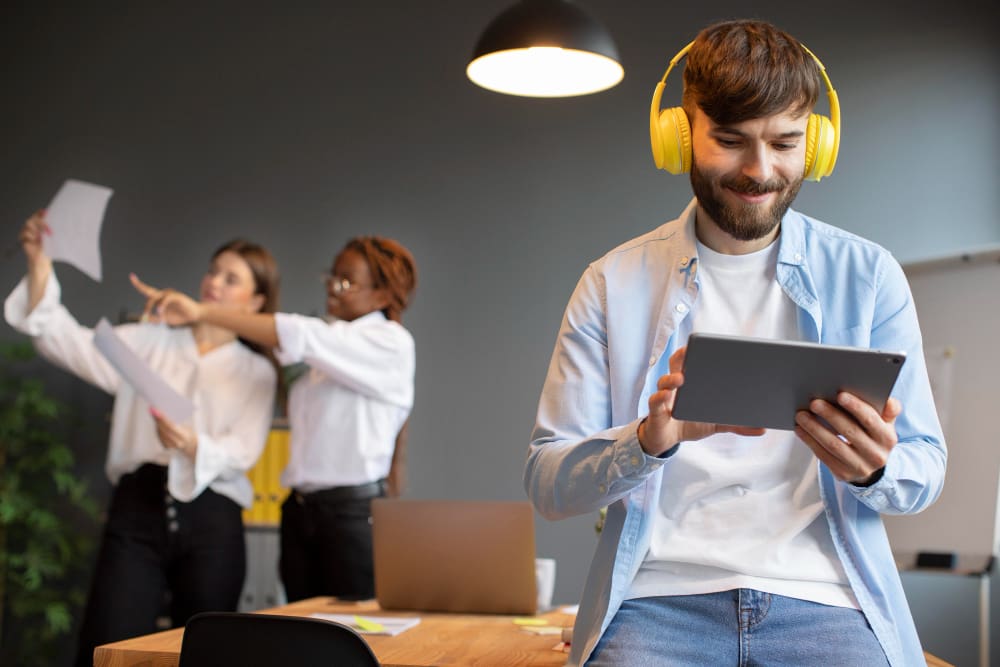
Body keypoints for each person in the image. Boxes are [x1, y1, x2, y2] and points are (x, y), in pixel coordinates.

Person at [524, 19, 946, 667]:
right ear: (677, 135)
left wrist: (877, 467)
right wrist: (648, 440)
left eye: (785, 143)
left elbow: (924, 467)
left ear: (819, 144)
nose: (760, 170)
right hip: (657, 601)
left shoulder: (868, 276)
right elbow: (549, 483)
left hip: (828, 601)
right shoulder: (612, 281)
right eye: (729, 140)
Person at [4, 211, 280, 667]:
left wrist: (192, 444)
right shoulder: (150, 342)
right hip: (138, 510)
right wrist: (39, 261)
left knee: (208, 650)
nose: (214, 282)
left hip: (215, 519)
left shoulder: (257, 372)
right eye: (213, 271)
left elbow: (244, 450)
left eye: (232, 279)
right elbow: (61, 338)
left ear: (256, 301)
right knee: (108, 645)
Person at [132, 235, 418, 602]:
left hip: (350, 516)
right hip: (300, 512)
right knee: (301, 634)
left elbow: (295, 333)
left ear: (381, 296)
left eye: (347, 282)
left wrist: (202, 312)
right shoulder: (325, 354)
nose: (333, 288)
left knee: (356, 635)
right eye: (331, 277)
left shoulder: (389, 343)